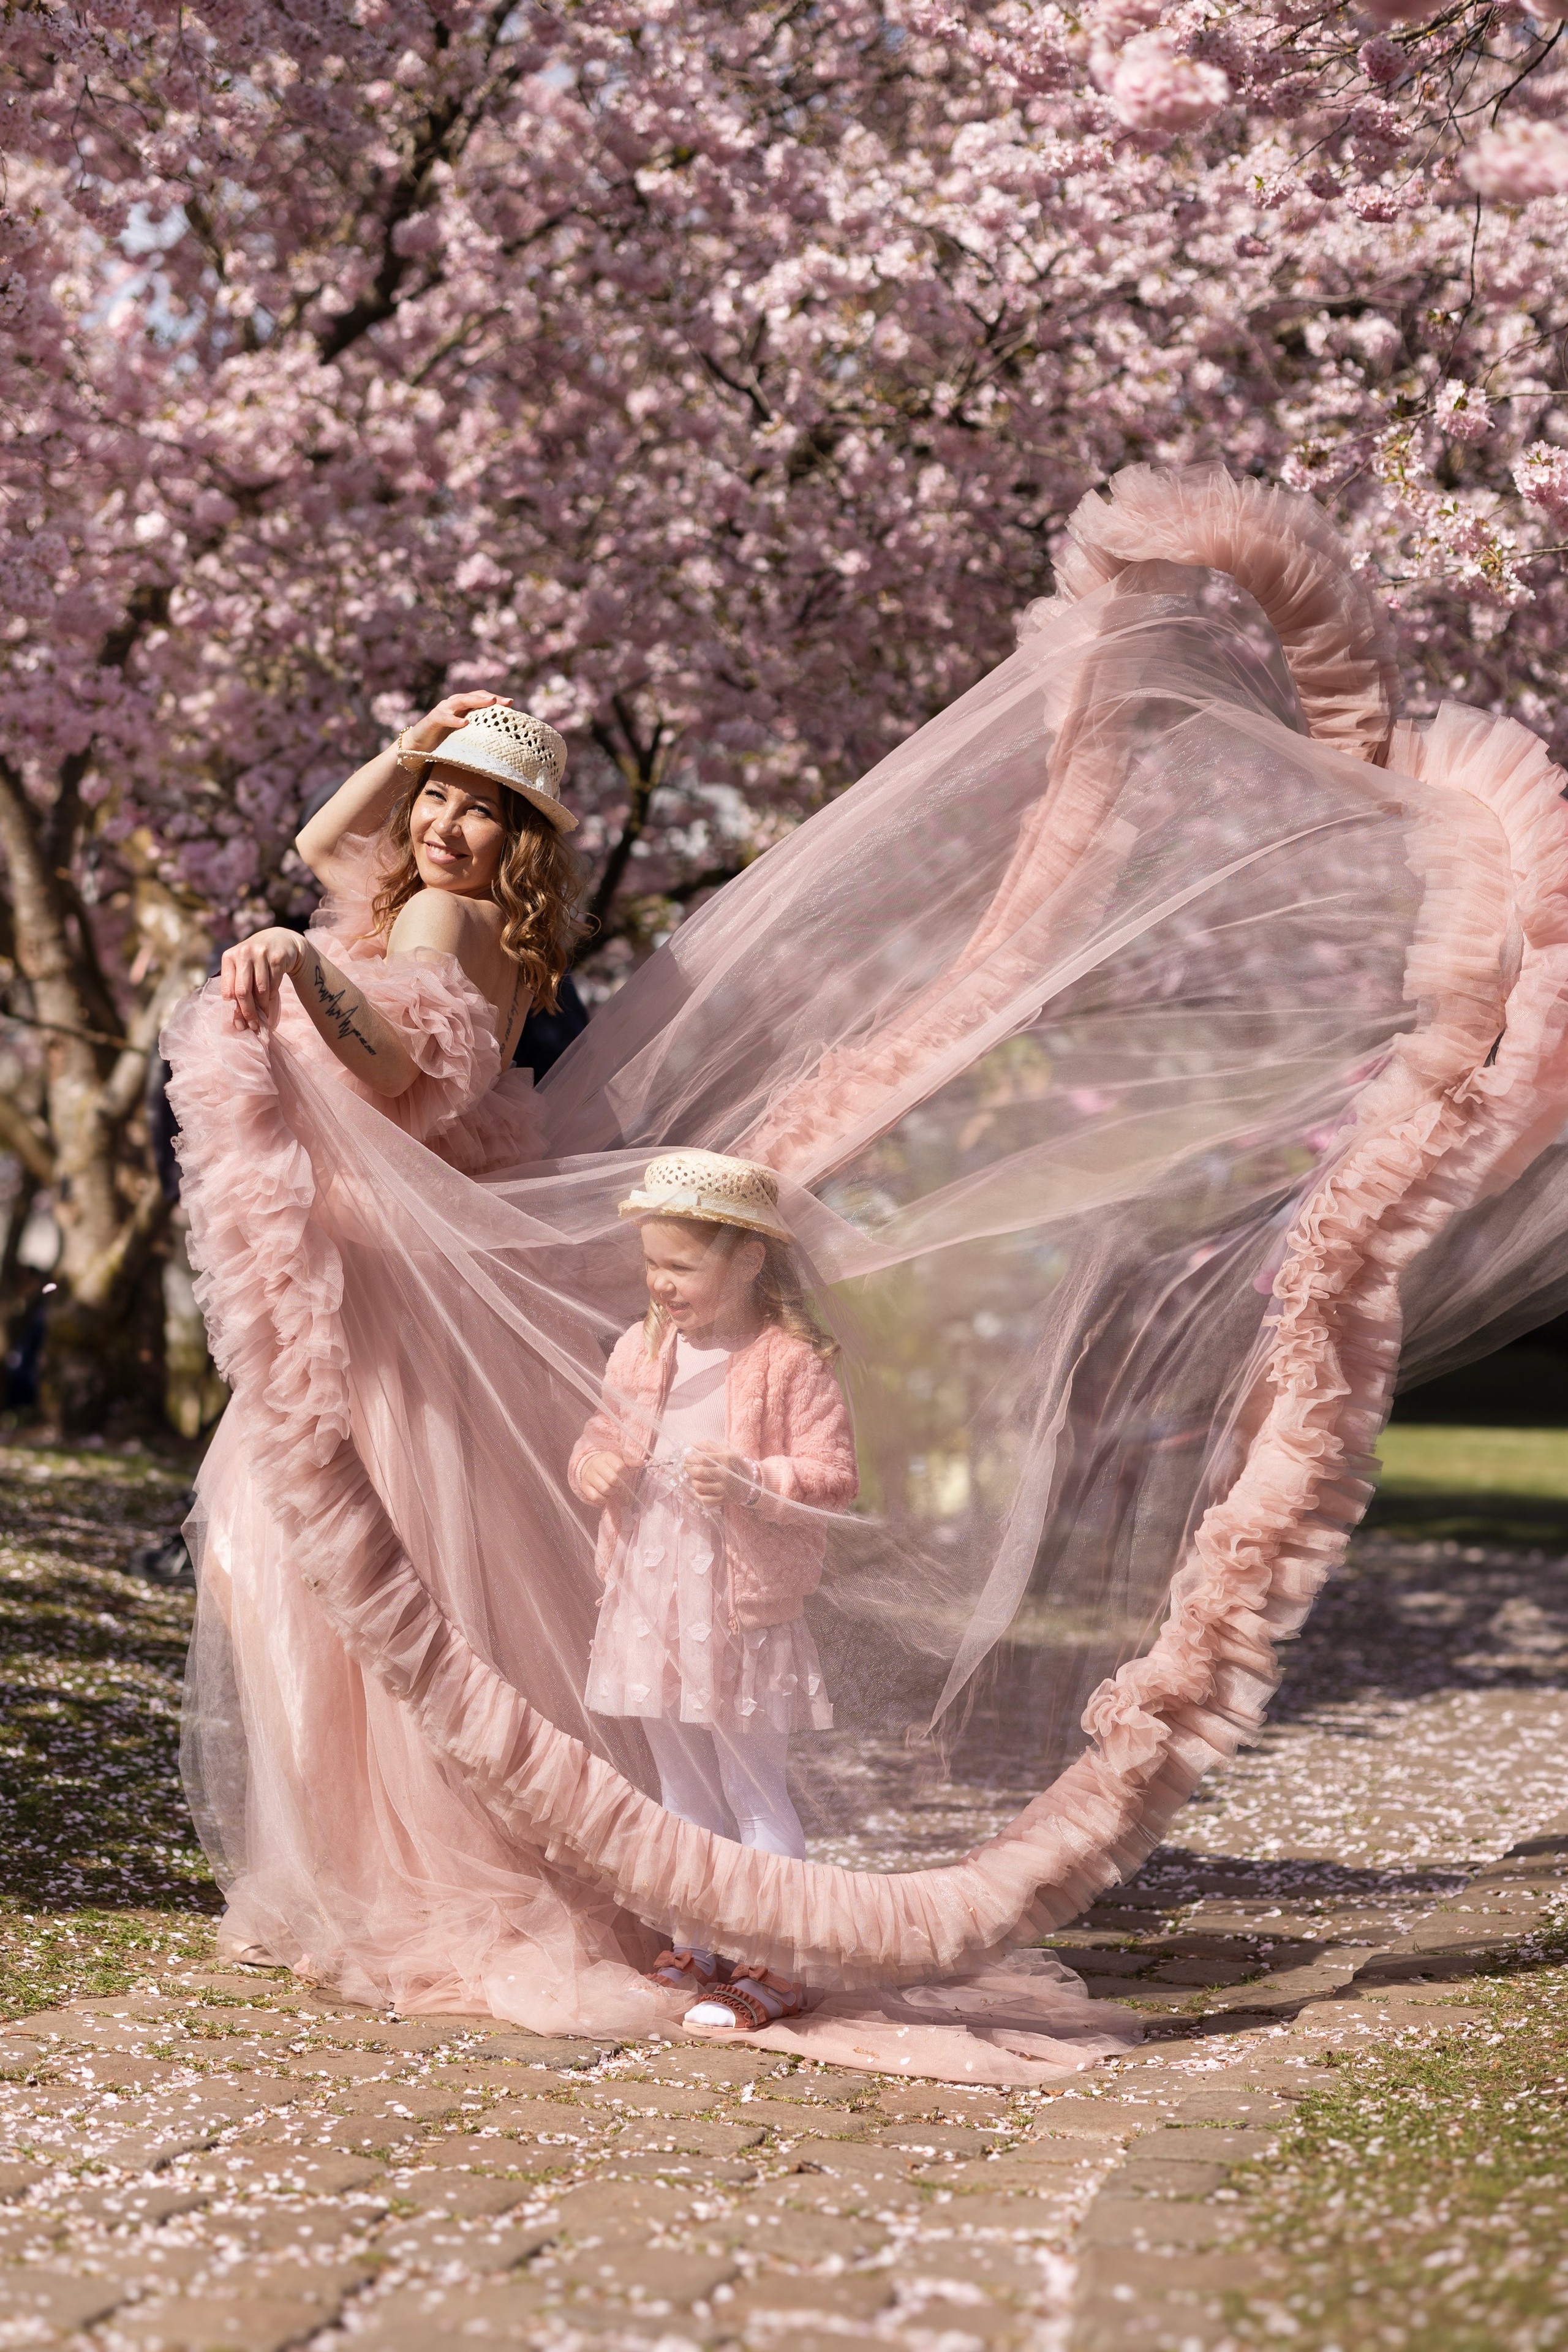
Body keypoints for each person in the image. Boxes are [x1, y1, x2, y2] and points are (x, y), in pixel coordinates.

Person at [163, 463, 1568, 2083]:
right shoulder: (405, 890)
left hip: (402, 1295)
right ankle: (385, 1872)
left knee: (318, 1562)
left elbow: (405, 1065)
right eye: (440, 801)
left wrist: (295, 972)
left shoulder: (450, 936)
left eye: (483, 811)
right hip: (378, 1277)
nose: (445, 826)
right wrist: (411, 755)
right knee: (296, 1564)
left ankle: (468, 1884)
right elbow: (325, 843)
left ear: (521, 848)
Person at [570, 1148, 857, 2029]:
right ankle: (697, 1946)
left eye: (683, 1266)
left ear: (749, 1260)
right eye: (651, 1264)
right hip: (651, 1602)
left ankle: (778, 1960)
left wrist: (753, 1479)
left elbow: (834, 1476)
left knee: (753, 1789)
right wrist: (596, 1469)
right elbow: (600, 1437)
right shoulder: (642, 1348)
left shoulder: (787, 1363)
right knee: (683, 1792)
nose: (661, 1284)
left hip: (738, 1609)